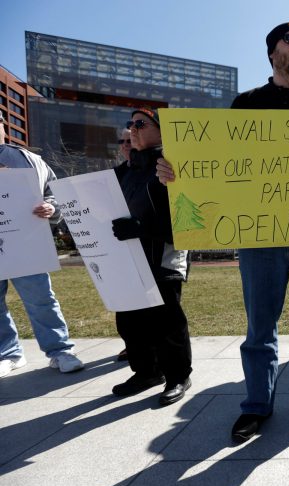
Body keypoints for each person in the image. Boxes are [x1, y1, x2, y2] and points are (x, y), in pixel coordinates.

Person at [157, 22, 289, 441]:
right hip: (259, 237)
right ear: (272, 53)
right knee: (260, 329)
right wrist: (179, 174)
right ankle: (256, 405)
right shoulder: (247, 103)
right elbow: (223, 165)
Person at [110, 107, 192, 406]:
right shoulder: (123, 171)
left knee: (166, 322)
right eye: (130, 124)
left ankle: (178, 376)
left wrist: (143, 228)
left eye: (141, 123)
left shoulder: (173, 164)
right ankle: (146, 372)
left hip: (163, 257)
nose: (132, 128)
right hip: (127, 259)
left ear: (162, 130)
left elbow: (189, 214)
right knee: (129, 321)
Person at [0, 111, 84, 377]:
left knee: (41, 299)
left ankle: (60, 351)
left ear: (3, 126)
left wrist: (51, 207)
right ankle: (8, 354)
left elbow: (54, 193)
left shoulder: (27, 159)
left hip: (26, 243)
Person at [114, 127, 132, 362]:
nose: (127, 143)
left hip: (150, 243)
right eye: (123, 140)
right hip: (120, 244)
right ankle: (132, 345)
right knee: (125, 302)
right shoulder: (114, 174)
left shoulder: (159, 168)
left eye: (130, 139)